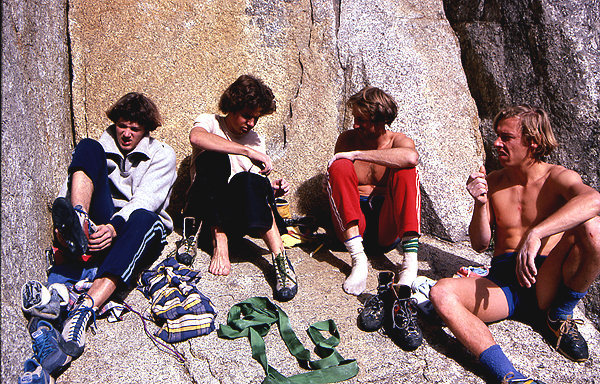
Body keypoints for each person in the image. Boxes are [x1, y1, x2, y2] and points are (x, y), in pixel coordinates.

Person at [430, 105, 600, 384]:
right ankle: (509, 377)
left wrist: (536, 234)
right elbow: (479, 244)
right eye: (497, 136)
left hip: (547, 278)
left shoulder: (558, 177)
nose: (496, 143)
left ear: (532, 142)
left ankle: (558, 316)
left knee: (593, 227)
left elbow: (594, 200)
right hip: (504, 284)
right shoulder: (494, 182)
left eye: (506, 137)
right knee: (441, 293)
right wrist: (480, 204)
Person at [48, 92, 177, 361]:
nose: (127, 134)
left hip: (136, 226)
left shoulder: (162, 154)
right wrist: (65, 224)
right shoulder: (100, 145)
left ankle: (85, 309)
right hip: (99, 222)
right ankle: (78, 220)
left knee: (144, 219)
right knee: (87, 147)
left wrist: (114, 227)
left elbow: (146, 200)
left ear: (146, 130)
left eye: (135, 128)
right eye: (122, 125)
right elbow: (74, 181)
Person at [184, 74, 297, 302]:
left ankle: (280, 259)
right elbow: (196, 138)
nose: (251, 123)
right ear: (232, 107)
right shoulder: (210, 122)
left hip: (235, 216)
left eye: (256, 118)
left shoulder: (255, 139)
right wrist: (246, 151)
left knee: (252, 181)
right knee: (214, 160)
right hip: (207, 213)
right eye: (247, 116)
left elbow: (249, 184)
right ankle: (220, 242)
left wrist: (271, 187)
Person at [326, 86, 422, 349]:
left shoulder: (398, 141)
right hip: (352, 227)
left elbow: (411, 157)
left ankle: (409, 264)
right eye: (354, 118)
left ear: (381, 121)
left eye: (362, 120)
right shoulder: (347, 139)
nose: (355, 124)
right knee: (339, 165)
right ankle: (359, 260)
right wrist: (350, 156)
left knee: (407, 171)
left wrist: (358, 155)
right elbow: (339, 170)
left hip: (385, 228)